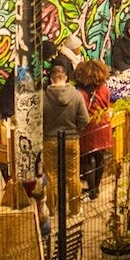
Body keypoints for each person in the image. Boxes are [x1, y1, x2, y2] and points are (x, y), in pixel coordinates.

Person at [42, 64, 87, 217]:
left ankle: (51, 210)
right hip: (71, 139)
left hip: (49, 140)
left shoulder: (42, 97)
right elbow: (84, 119)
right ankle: (74, 210)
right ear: (66, 77)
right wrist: (76, 130)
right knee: (73, 176)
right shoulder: (76, 95)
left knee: (51, 175)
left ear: (51, 79)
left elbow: (37, 121)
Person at [73, 59, 112, 201]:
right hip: (104, 126)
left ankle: (92, 190)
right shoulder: (104, 89)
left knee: (87, 160)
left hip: (89, 129)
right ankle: (96, 187)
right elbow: (106, 105)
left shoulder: (81, 94)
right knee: (100, 159)